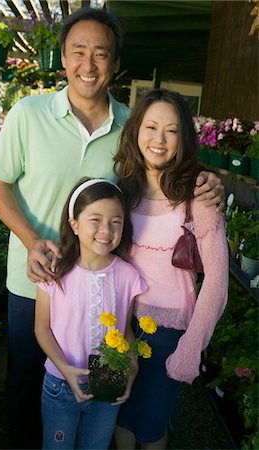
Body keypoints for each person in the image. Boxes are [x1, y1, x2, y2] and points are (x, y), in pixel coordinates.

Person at [0, 6, 225, 449]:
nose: (88, 64)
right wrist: (33, 241)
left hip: (101, 291)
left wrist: (208, 179)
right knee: (25, 389)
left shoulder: (129, 127)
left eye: (101, 53)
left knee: (99, 393)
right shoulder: (27, 113)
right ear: (63, 57)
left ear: (115, 63)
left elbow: (165, 156)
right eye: (78, 51)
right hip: (34, 280)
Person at [113, 89, 229, 449]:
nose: (159, 139)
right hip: (118, 323)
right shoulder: (123, 190)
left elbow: (217, 283)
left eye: (171, 130)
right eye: (150, 127)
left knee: (150, 425)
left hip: (166, 334)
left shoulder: (198, 196)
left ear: (183, 138)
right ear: (135, 131)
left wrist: (192, 346)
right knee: (118, 413)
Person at [35, 178, 146, 449]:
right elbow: (42, 328)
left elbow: (126, 331)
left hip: (107, 386)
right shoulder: (55, 273)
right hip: (60, 385)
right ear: (74, 224)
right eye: (95, 219)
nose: (105, 230)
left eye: (116, 221)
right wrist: (64, 368)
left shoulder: (128, 276)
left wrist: (132, 368)